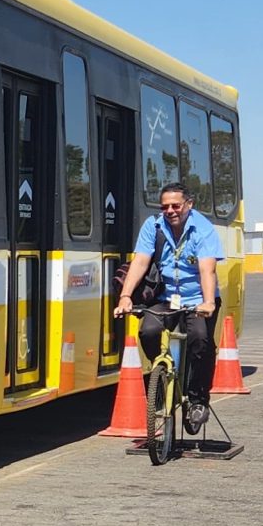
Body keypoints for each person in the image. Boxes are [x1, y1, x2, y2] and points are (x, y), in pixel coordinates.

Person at [112, 181, 221, 436]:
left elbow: (208, 269)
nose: (170, 211)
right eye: (165, 207)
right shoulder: (153, 226)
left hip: (197, 299)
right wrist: (126, 296)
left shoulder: (202, 229)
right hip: (166, 297)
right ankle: (164, 374)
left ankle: (197, 399)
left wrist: (208, 302)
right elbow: (140, 262)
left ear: (188, 205)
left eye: (176, 206)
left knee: (200, 341)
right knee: (147, 331)